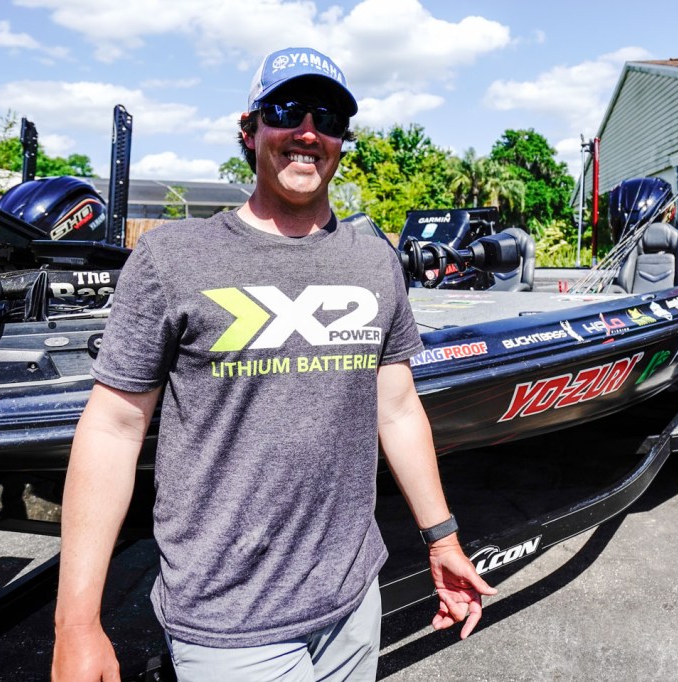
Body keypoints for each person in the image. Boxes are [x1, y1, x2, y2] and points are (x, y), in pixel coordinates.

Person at [51, 46, 496, 681]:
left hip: (352, 601)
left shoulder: (373, 260)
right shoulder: (173, 257)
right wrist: (76, 625)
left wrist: (443, 539)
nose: (309, 132)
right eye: (287, 111)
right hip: (228, 621)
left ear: (341, 140)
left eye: (329, 117)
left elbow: (397, 410)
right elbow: (112, 430)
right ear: (250, 129)